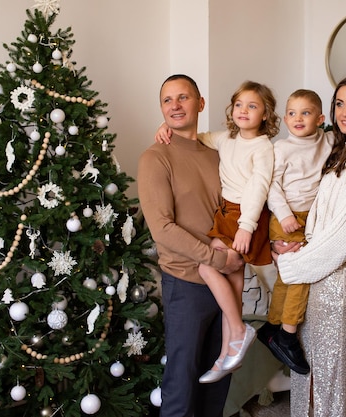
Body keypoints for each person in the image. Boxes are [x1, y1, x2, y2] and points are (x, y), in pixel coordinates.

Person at [273, 74, 346, 417]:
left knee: (333, 378)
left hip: (338, 279)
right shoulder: (341, 150)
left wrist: (292, 264)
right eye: (340, 103)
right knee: (309, 370)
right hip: (317, 272)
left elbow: (344, 236)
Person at [156, 80, 280, 383]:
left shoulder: (263, 147)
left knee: (209, 266)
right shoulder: (226, 138)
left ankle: (238, 329)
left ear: (265, 114)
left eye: (252, 106)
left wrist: (246, 227)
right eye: (239, 105)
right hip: (227, 213)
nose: (243, 111)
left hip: (243, 217)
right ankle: (229, 354)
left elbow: (259, 188)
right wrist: (165, 126)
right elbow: (198, 137)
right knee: (234, 283)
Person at [138, 74, 244, 417]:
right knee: (182, 382)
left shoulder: (218, 152)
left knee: (219, 377)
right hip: (186, 281)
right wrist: (215, 259)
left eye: (183, 98)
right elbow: (163, 229)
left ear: (200, 104)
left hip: (226, 277)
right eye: (167, 100)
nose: (175, 106)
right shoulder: (155, 157)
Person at [258, 89, 334, 375]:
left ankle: (273, 325)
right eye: (292, 113)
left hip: (309, 218)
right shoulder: (282, 148)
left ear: (320, 118)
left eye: (305, 112)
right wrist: (285, 215)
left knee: (286, 279)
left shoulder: (327, 141)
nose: (297, 118)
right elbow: (272, 186)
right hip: (285, 216)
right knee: (300, 275)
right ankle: (287, 336)